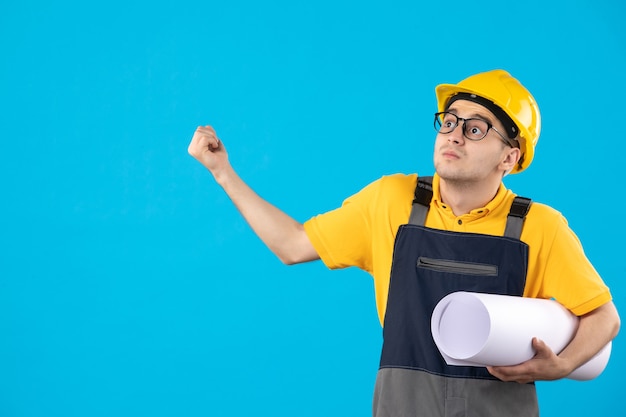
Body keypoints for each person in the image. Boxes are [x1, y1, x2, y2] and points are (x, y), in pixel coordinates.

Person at [188, 69, 620, 417]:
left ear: (510, 156)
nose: (453, 134)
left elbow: (604, 317)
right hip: (403, 405)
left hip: (500, 407)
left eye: (475, 129)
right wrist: (222, 171)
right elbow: (292, 244)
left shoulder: (537, 226)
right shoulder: (392, 201)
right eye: (449, 122)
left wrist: (563, 364)